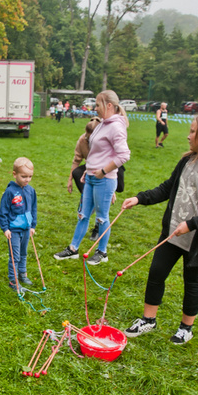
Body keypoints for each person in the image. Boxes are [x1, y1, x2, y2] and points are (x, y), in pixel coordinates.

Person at [121, 112, 198, 344]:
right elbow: (168, 188)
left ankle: (186, 327)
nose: (188, 136)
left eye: (193, 132)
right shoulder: (188, 161)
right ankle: (148, 320)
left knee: (192, 282)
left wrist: (193, 224)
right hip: (172, 234)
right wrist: (140, 199)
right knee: (156, 273)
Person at [54, 89, 130, 266]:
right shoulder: (103, 123)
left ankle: (102, 252)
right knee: (83, 215)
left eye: (97, 104)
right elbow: (95, 153)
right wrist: (87, 171)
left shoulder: (116, 127)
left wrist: (103, 171)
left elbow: (124, 155)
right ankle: (73, 249)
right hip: (90, 177)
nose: (94, 108)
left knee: (102, 217)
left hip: (104, 179)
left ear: (109, 105)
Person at [0, 157, 38, 289]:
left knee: (23, 253)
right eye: (24, 176)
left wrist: (32, 225)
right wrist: (5, 228)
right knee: (15, 256)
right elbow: (3, 211)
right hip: (13, 230)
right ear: (14, 174)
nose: (27, 179)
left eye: (30, 176)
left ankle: (22, 274)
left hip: (26, 229)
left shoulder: (31, 190)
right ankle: (13, 281)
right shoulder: (10, 192)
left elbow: (33, 209)